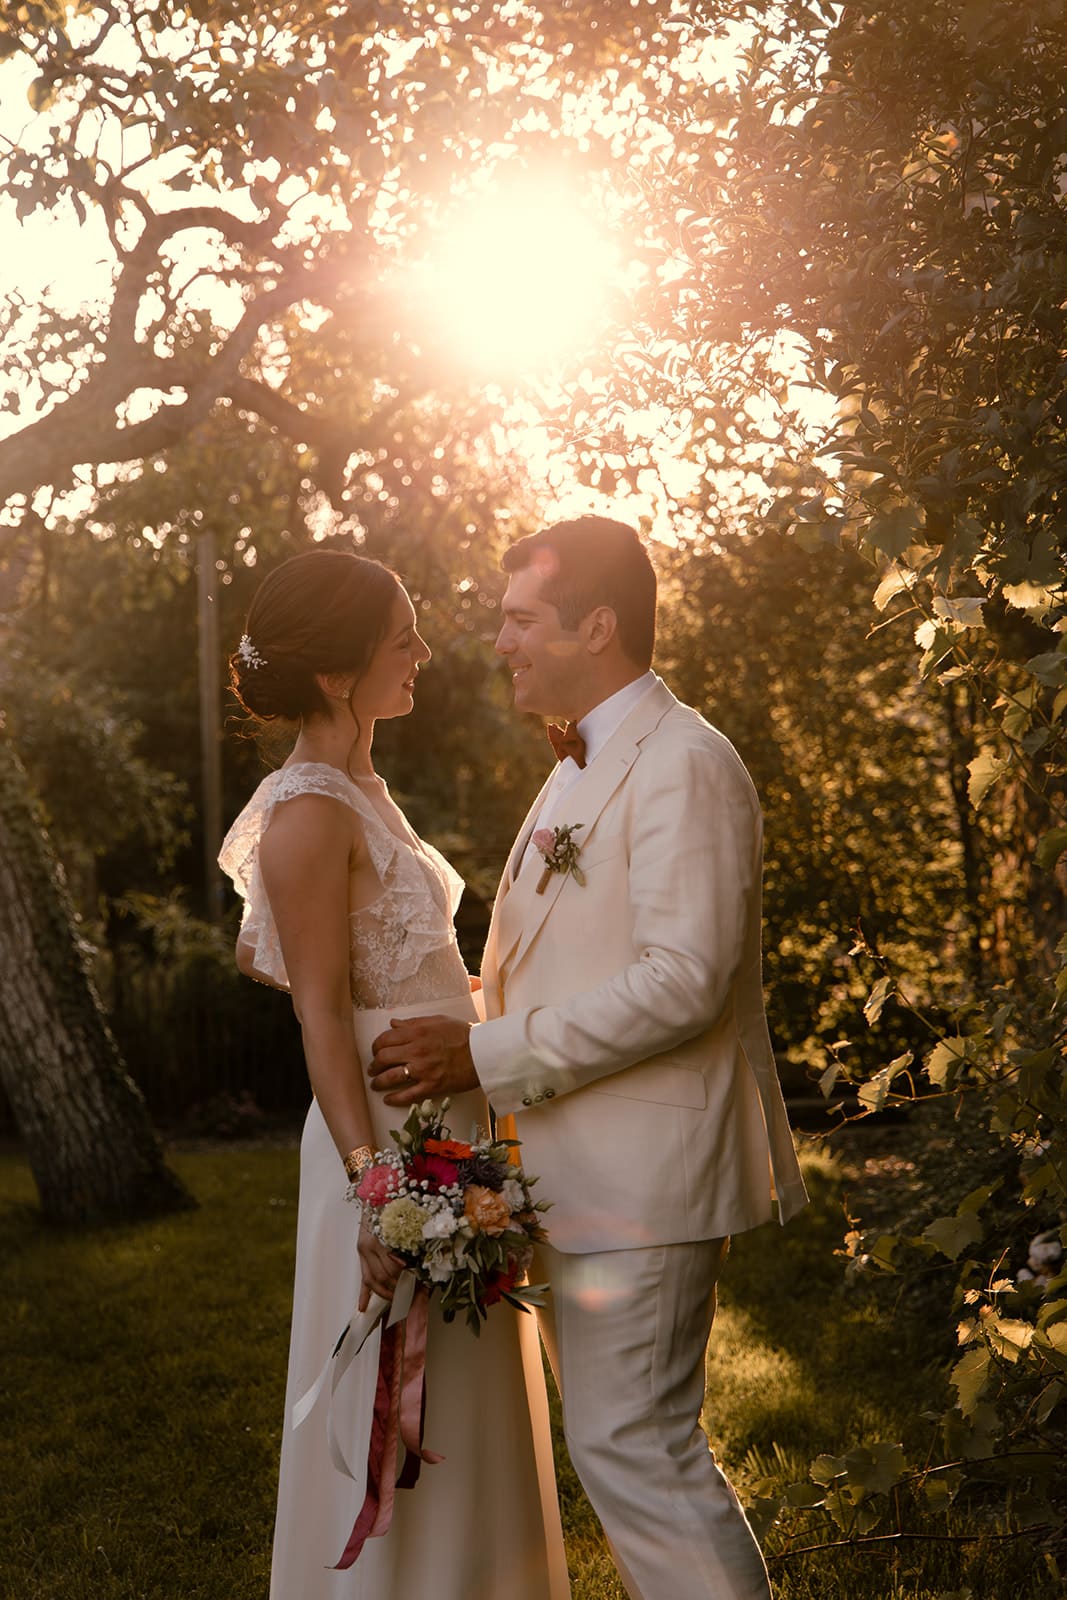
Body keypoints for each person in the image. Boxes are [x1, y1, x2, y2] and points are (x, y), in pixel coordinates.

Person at [369, 515, 809, 1600]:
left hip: (646, 1177)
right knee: (618, 1449)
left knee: (638, 1451)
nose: (500, 639)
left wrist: (483, 1051)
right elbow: (555, 962)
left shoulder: (684, 762)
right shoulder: (576, 762)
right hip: (570, 1171)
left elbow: (683, 977)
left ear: (596, 624)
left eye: (521, 618)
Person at [218, 548, 570, 1600]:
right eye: (399, 636)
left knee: (468, 1397)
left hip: (451, 1118)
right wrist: (372, 1182)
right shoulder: (307, 813)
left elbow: (402, 961)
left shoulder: (366, 787)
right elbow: (320, 1008)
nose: (420, 650)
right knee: (401, 1396)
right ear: (336, 673)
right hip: (384, 1136)